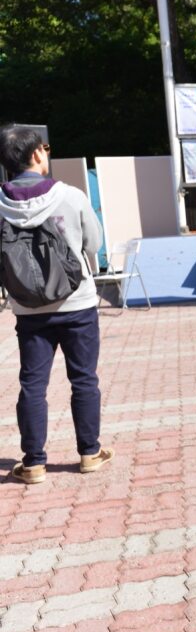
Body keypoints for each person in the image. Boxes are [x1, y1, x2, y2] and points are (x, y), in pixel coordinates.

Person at [0, 125, 112, 484]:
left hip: (28, 310)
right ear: (36, 154)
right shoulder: (71, 196)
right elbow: (93, 245)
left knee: (33, 383)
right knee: (83, 379)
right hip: (77, 303)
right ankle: (90, 453)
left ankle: (33, 462)